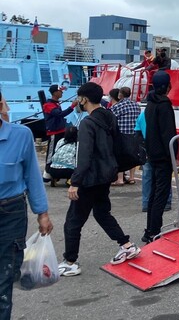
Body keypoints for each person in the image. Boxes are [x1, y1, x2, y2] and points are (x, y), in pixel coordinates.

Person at [59, 82, 141, 277]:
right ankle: (126, 245)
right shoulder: (109, 116)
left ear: (84, 99)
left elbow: (84, 155)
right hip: (106, 174)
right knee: (102, 213)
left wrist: (75, 182)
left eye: (79, 98)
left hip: (90, 177)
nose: (78, 101)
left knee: (73, 221)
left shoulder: (88, 123)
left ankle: (70, 261)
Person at [0, 91, 53, 320]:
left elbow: (32, 175)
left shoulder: (21, 135)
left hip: (11, 212)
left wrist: (42, 213)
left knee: (4, 277)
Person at [142, 71, 177, 244]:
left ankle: (149, 229)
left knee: (153, 193)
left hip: (152, 154)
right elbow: (168, 134)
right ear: (167, 86)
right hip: (163, 156)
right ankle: (154, 231)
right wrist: (173, 157)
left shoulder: (150, 103)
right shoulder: (164, 105)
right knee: (161, 195)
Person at [138, 107, 172, 213]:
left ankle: (146, 203)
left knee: (147, 177)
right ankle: (165, 202)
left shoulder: (142, 115)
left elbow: (137, 132)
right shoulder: (162, 113)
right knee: (164, 176)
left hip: (146, 149)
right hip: (160, 150)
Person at [42, 84, 77, 183]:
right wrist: (72, 106)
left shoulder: (56, 104)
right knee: (51, 151)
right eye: (60, 91)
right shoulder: (48, 105)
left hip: (61, 131)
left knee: (59, 150)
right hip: (54, 132)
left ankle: (55, 172)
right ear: (54, 92)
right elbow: (59, 114)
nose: (62, 92)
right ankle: (47, 173)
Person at [111, 86, 139, 186]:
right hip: (134, 133)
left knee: (120, 156)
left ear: (120, 95)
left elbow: (110, 118)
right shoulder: (136, 105)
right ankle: (131, 178)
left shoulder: (118, 106)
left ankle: (120, 179)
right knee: (132, 155)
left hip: (122, 134)